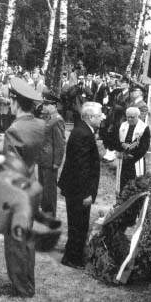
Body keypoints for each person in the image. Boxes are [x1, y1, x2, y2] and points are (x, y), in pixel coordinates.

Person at [3, 77, 45, 297]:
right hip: (33, 187)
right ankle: (28, 283)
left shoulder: (13, 130)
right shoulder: (40, 125)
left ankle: (21, 288)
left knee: (15, 241)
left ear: (15, 101)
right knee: (27, 240)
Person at [58, 102, 103, 269]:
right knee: (79, 224)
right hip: (78, 189)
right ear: (90, 117)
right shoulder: (83, 133)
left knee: (77, 224)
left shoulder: (83, 130)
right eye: (99, 115)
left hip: (75, 187)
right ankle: (72, 258)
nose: (102, 118)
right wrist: (86, 193)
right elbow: (81, 167)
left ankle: (73, 254)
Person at [38, 94, 66, 218]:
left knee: (49, 191)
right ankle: (45, 213)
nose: (44, 106)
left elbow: (60, 143)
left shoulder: (57, 119)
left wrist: (57, 162)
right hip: (42, 159)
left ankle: (50, 216)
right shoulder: (46, 117)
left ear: (54, 105)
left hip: (50, 161)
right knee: (43, 189)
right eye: (44, 104)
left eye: (47, 104)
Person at [116, 107, 150, 194]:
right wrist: (121, 148)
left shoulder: (144, 128)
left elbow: (144, 147)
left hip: (136, 159)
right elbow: (117, 140)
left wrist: (133, 156)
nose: (130, 119)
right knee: (122, 182)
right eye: (128, 117)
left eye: (132, 117)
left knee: (136, 183)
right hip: (124, 158)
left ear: (138, 116)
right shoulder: (123, 125)